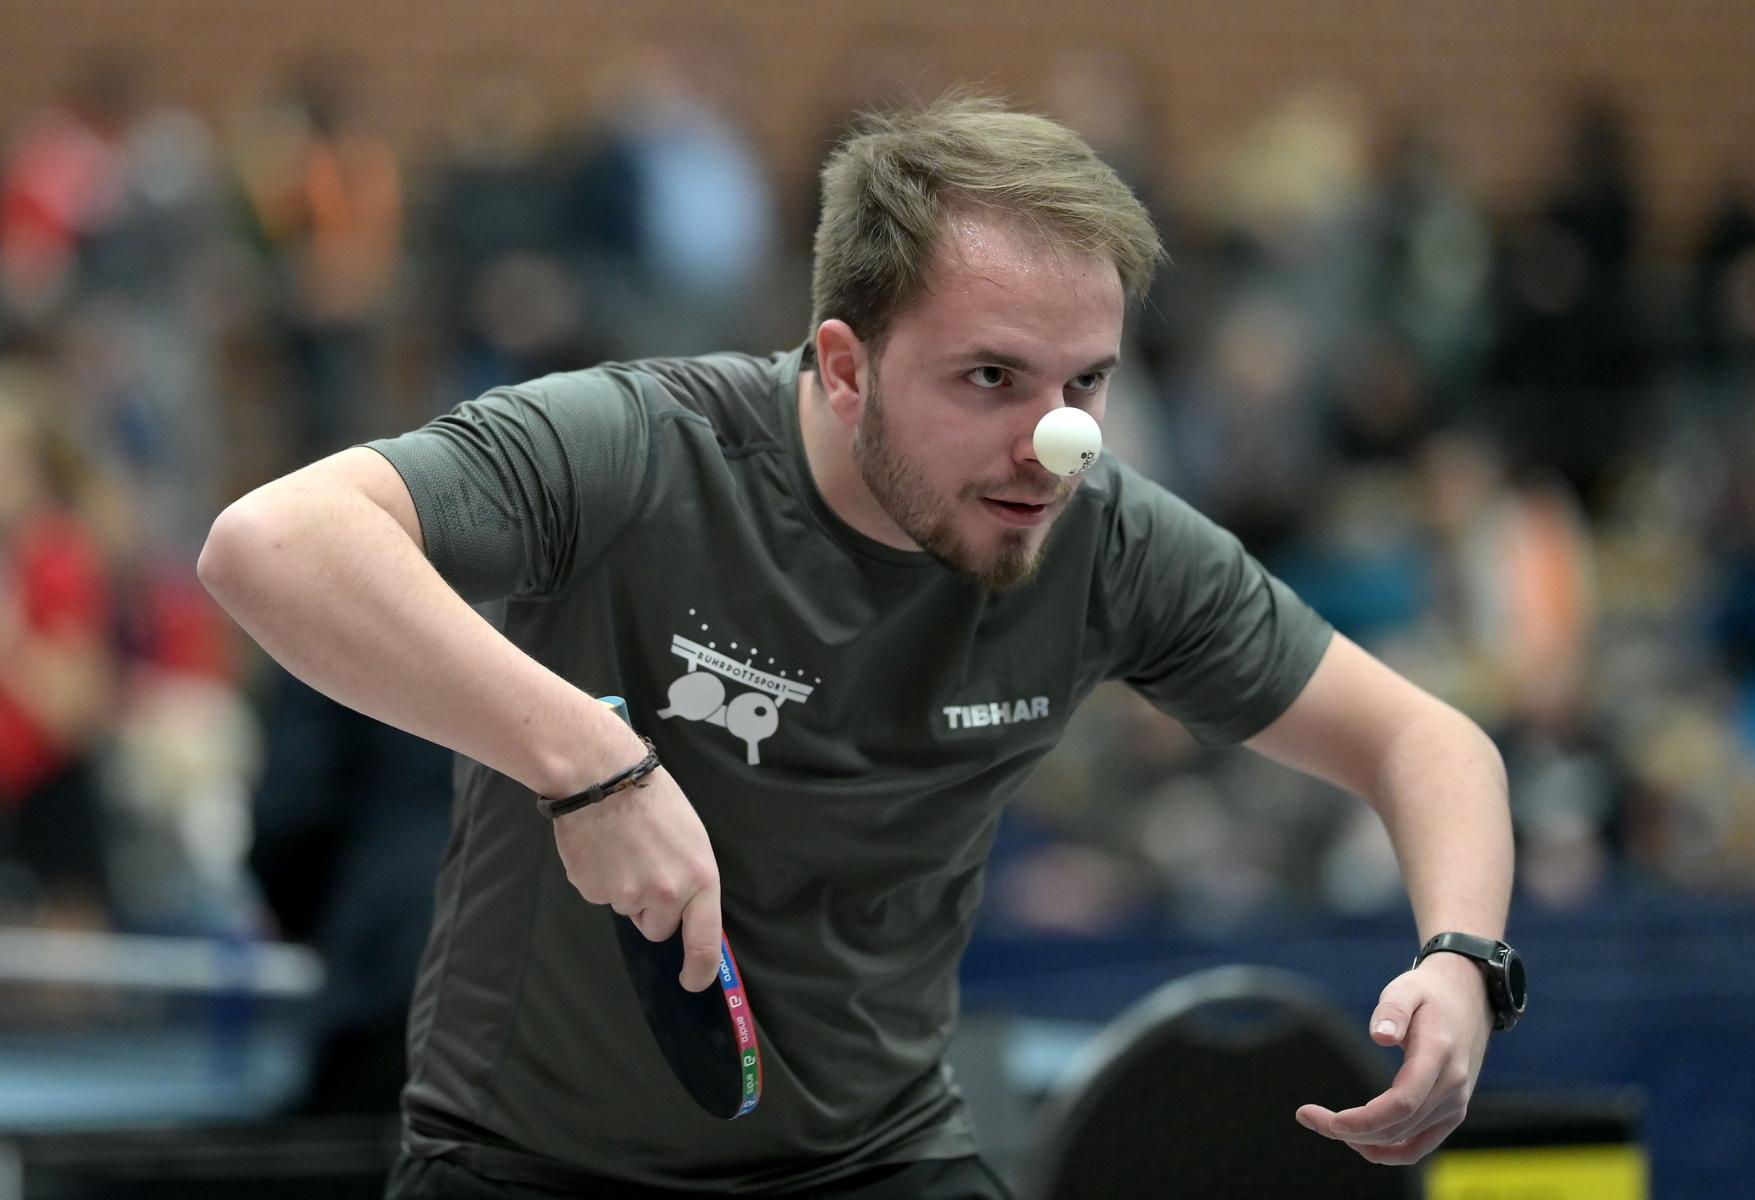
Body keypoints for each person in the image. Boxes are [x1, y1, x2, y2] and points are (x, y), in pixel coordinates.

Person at [198, 93, 1519, 1198]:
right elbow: (272, 543)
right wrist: (592, 766)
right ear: (844, 365)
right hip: (530, 1167)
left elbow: (1426, 741)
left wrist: (1463, 961)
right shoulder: (638, 451)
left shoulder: (1103, 538)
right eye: (991, 377)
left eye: (1086, 383)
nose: (1054, 444)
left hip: (879, 1160)